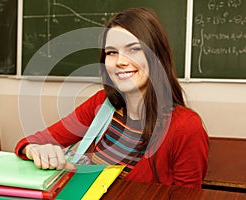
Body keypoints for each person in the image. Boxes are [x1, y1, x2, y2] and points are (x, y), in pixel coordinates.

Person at [15, 7, 209, 189]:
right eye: (112, 52)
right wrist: (35, 150)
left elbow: (187, 195)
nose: (120, 62)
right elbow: (30, 142)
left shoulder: (186, 126)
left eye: (134, 49)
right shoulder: (101, 103)